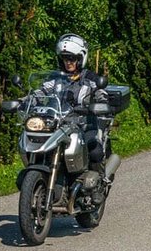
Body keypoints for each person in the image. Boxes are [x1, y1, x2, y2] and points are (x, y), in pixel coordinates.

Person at [41, 34, 112, 186]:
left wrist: (101, 103)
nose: (68, 62)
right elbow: (41, 92)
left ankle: (99, 182)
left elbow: (101, 93)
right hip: (58, 125)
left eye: (72, 58)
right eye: (65, 58)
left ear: (80, 58)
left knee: (94, 151)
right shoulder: (55, 78)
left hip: (83, 124)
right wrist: (24, 101)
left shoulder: (90, 78)